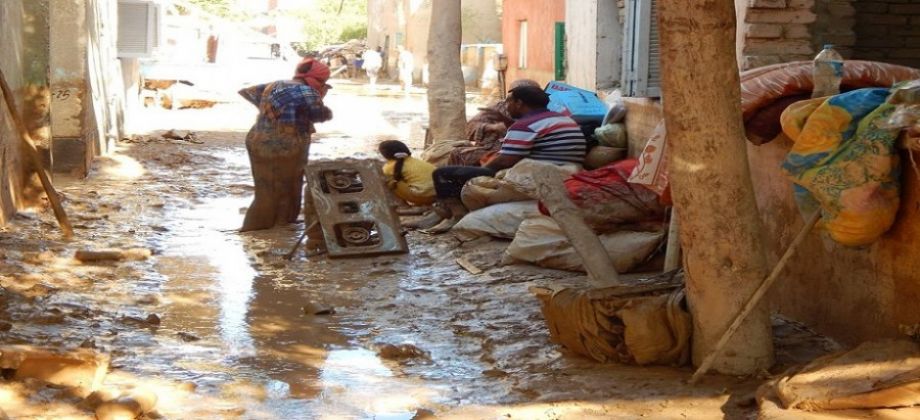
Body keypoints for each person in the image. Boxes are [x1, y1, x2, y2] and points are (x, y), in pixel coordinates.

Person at [426, 85, 587, 233]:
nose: (506, 105)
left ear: (519, 103)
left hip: (537, 175)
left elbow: (506, 160)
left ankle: (455, 214)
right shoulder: (564, 119)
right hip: (567, 171)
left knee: (441, 173)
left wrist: (482, 170)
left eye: (508, 101)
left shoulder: (526, 125)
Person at [238, 57, 333, 233]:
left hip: (258, 138)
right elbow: (319, 115)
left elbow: (248, 92)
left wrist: (271, 111)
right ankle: (256, 229)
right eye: (323, 82)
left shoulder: (276, 84)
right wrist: (320, 96)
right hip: (286, 143)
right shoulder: (309, 92)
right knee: (286, 186)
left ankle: (277, 226)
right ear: (317, 80)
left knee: (267, 186)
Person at [449, 79, 541, 166]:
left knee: (460, 154)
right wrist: (491, 127)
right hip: (492, 148)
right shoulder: (500, 107)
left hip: (512, 153)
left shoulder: (537, 112)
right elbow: (471, 127)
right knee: (457, 153)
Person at [378, 140, 436, 206]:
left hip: (423, 197)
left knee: (389, 182)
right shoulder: (417, 161)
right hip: (436, 196)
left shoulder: (389, 167)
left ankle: (401, 205)